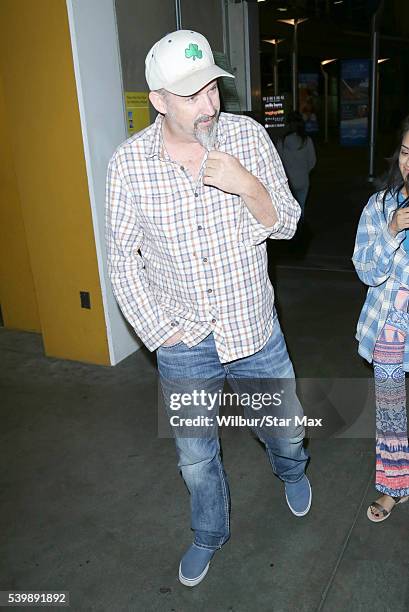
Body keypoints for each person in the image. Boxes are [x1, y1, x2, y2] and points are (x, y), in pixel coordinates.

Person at [106, 30, 311, 587]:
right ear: (159, 100)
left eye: (212, 89)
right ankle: (209, 534)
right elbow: (124, 260)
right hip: (184, 343)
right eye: (191, 94)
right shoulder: (129, 166)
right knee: (196, 460)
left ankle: (291, 469)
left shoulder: (246, 136)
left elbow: (288, 222)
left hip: (253, 327)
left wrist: (247, 184)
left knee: (286, 428)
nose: (209, 104)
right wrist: (160, 333)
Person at [353, 115, 409, 523]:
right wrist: (391, 231)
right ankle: (394, 486)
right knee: (391, 413)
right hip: (392, 326)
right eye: (407, 153)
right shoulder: (380, 206)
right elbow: (366, 271)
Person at [276, 111, 316, 216]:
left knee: (289, 209)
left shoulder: (281, 142)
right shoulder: (307, 141)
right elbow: (312, 161)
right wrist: (304, 171)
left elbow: (278, 162)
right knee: (301, 205)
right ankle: (302, 227)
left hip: (288, 181)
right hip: (303, 179)